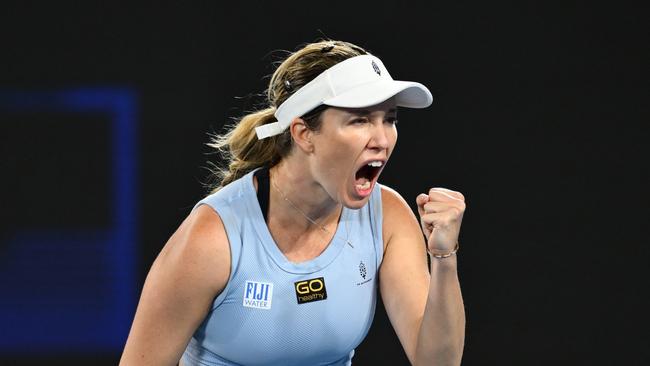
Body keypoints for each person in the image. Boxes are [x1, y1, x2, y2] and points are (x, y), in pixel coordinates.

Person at [120, 40, 466, 366]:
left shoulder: (387, 216)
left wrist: (443, 257)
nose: (382, 139)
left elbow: (436, 362)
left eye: (389, 119)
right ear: (303, 134)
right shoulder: (212, 238)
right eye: (360, 119)